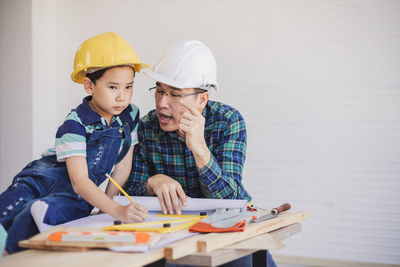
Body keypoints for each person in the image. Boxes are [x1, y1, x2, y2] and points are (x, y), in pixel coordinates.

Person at [124, 39, 276, 266]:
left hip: (224, 232)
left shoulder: (228, 121)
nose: (162, 103)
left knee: (248, 260)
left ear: (202, 99)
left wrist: (200, 150)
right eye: (159, 90)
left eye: (175, 94)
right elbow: (126, 194)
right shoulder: (145, 128)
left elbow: (233, 200)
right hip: (169, 236)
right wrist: (153, 182)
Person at [0, 32, 149, 254]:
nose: (122, 97)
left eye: (128, 87)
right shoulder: (75, 124)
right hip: (40, 181)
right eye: (113, 87)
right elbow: (80, 180)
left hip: (76, 196)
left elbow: (123, 166)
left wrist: (106, 209)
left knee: (35, 214)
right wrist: (118, 210)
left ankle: (11, 255)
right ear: (89, 85)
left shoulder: (130, 115)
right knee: (5, 212)